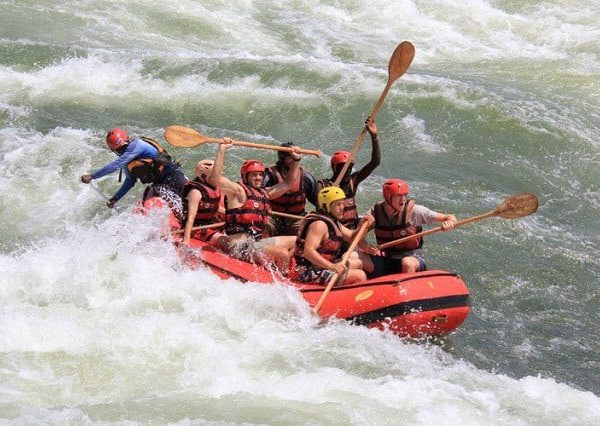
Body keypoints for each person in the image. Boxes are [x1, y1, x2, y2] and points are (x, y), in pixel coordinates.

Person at [207, 138, 300, 270]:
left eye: (260, 175)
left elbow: (288, 183)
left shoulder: (264, 193)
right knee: (282, 253)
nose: (258, 178)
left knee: (297, 241)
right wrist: (222, 150)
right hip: (238, 246)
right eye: (254, 175)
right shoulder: (237, 191)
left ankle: (274, 268)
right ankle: (281, 281)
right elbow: (215, 179)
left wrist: (296, 160)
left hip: (256, 243)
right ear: (246, 177)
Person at [80, 128, 187, 221]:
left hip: (174, 176)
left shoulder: (137, 145)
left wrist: (92, 176)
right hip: (159, 185)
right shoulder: (128, 161)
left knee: (186, 204)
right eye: (120, 150)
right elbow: (130, 182)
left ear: (128, 141)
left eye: (124, 147)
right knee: (148, 208)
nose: (123, 151)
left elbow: (116, 165)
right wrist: (115, 198)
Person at [361, 178, 457, 276]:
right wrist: (365, 246)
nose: (403, 199)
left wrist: (450, 223)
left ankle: (408, 287)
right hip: (387, 259)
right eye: (398, 196)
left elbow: (449, 217)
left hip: (412, 258)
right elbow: (357, 237)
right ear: (388, 197)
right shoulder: (375, 212)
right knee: (355, 257)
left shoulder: (415, 211)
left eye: (404, 195)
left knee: (407, 263)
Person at [291, 186, 374, 286]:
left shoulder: (335, 223)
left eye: (343, 204)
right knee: (359, 276)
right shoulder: (319, 224)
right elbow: (309, 252)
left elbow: (353, 237)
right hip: (307, 272)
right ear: (326, 206)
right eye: (338, 204)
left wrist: (363, 227)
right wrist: (332, 266)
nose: (342, 208)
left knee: (356, 264)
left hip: (321, 268)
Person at [317, 117, 380, 229]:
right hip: (335, 229)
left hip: (353, 228)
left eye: (350, 167)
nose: (347, 171)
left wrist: (374, 136)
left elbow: (375, 162)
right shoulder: (323, 186)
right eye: (343, 167)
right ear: (335, 168)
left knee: (376, 221)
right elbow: (320, 210)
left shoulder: (353, 181)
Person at [263, 142, 318, 236]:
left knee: (309, 229)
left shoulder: (306, 178)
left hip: (296, 218)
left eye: (295, 158)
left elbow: (318, 203)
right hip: (274, 217)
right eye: (290, 157)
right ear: (282, 159)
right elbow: (259, 198)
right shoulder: (269, 176)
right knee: (264, 226)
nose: (293, 160)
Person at [181, 159, 225, 246]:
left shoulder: (215, 189)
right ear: (204, 176)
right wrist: (186, 240)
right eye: (215, 175)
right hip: (198, 228)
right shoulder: (196, 192)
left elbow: (213, 207)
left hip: (210, 223)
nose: (218, 178)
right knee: (227, 242)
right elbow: (190, 217)